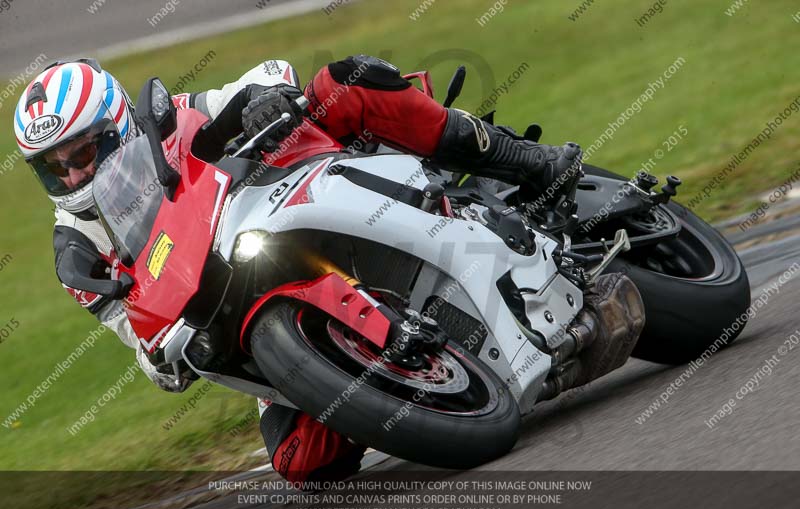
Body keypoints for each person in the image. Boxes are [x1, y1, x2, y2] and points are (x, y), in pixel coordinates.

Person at [13, 55, 582, 484]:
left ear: (117, 125)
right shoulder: (77, 251)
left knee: (345, 82)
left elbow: (266, 73)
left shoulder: (168, 118)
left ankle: (525, 162)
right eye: (51, 169)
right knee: (300, 466)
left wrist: (265, 95)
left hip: (287, 198)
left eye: (81, 155)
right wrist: (161, 360)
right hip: (240, 301)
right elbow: (139, 340)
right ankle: (398, 383)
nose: (69, 178)